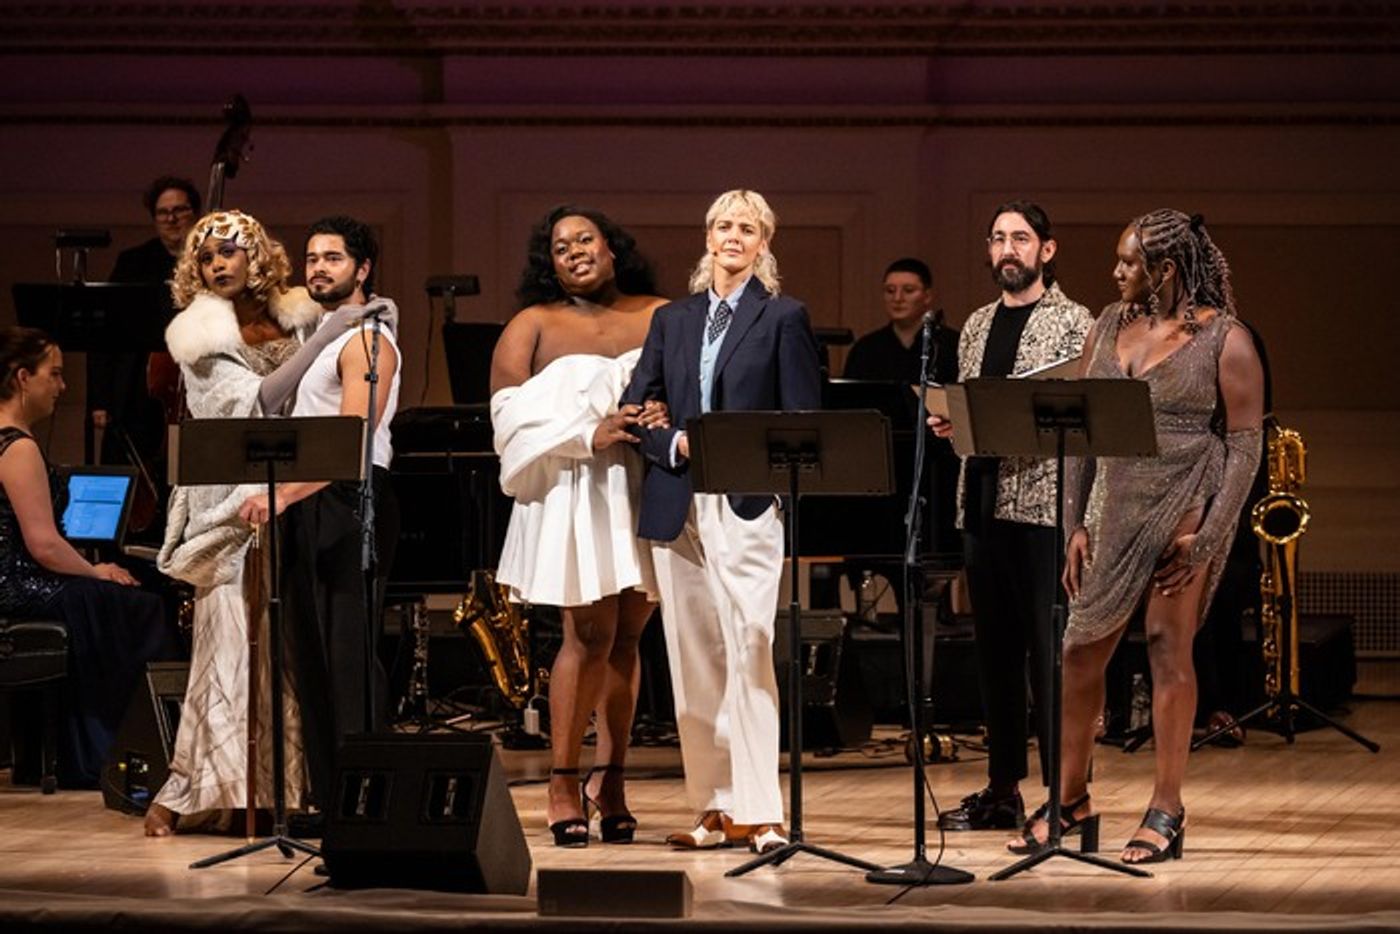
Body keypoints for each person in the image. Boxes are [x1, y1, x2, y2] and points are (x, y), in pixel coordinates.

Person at [1020, 210, 1263, 864]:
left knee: (1166, 648)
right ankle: (1070, 798)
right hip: (1110, 505)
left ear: (1166, 269)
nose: (1117, 272)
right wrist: (1073, 521)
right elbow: (1078, 430)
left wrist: (1209, 536)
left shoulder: (1224, 339)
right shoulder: (1108, 326)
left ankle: (1166, 806)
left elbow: (1243, 448)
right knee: (1078, 655)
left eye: (1129, 262)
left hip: (1184, 499)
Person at [147, 210, 367, 835]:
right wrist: (325, 341)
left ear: (257, 257)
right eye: (206, 257)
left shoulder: (297, 317)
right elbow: (257, 404)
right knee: (230, 647)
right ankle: (192, 788)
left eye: (228, 253)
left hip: (291, 495)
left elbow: (334, 378)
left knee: (289, 650)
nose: (217, 265)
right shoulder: (198, 336)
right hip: (233, 500)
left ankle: (284, 790)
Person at [622, 189, 822, 855]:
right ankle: (716, 807)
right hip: (678, 499)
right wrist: (669, 442)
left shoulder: (783, 317)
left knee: (751, 645)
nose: (732, 236)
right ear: (707, 237)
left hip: (744, 500)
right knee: (694, 657)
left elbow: (800, 421)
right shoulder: (672, 320)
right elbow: (638, 406)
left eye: (746, 228)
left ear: (764, 243)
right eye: (722, 226)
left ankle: (762, 812)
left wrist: (747, 461)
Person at [489, 205, 667, 847]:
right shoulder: (532, 324)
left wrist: (663, 412)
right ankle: (562, 779)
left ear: (612, 248)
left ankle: (610, 778)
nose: (573, 251)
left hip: (647, 485)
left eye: (585, 239)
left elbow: (697, 390)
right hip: (578, 486)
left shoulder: (659, 313)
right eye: (560, 246)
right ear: (550, 261)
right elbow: (505, 420)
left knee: (629, 637)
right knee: (588, 634)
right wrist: (586, 433)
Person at [930, 201, 1095, 832]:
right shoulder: (973, 325)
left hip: (1044, 507)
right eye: (998, 238)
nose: (1007, 249)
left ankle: (1066, 793)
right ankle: (1003, 788)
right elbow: (974, 408)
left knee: (1051, 654)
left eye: (1020, 239)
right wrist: (951, 421)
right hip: (982, 501)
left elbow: (1082, 417)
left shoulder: (1076, 322)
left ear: (1045, 251)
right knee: (994, 653)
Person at [238, 215, 402, 816]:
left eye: (333, 258)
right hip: (310, 503)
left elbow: (351, 441)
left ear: (362, 270)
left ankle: (366, 804)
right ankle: (334, 805)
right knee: (311, 662)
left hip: (346, 501)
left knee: (346, 664)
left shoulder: (367, 340)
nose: (317, 269)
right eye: (311, 258)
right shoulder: (325, 340)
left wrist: (283, 495)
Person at [0, 326, 175, 788]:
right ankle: (125, 752)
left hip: (14, 583)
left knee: (111, 596)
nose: (62, 387)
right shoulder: (16, 446)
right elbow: (44, 545)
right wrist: (96, 570)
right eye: (54, 375)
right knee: (141, 606)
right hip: (20, 587)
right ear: (22, 378)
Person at [91, 177, 202, 535]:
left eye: (179, 210)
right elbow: (107, 335)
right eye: (162, 213)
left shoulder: (212, 262)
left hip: (192, 391)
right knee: (132, 470)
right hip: (139, 387)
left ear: (195, 213)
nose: (171, 219)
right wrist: (101, 399)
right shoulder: (133, 262)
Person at [843, 257, 961, 555]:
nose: (897, 298)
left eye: (908, 290)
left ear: (928, 296)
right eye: (890, 290)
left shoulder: (952, 345)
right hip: (883, 477)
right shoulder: (866, 350)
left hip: (940, 475)